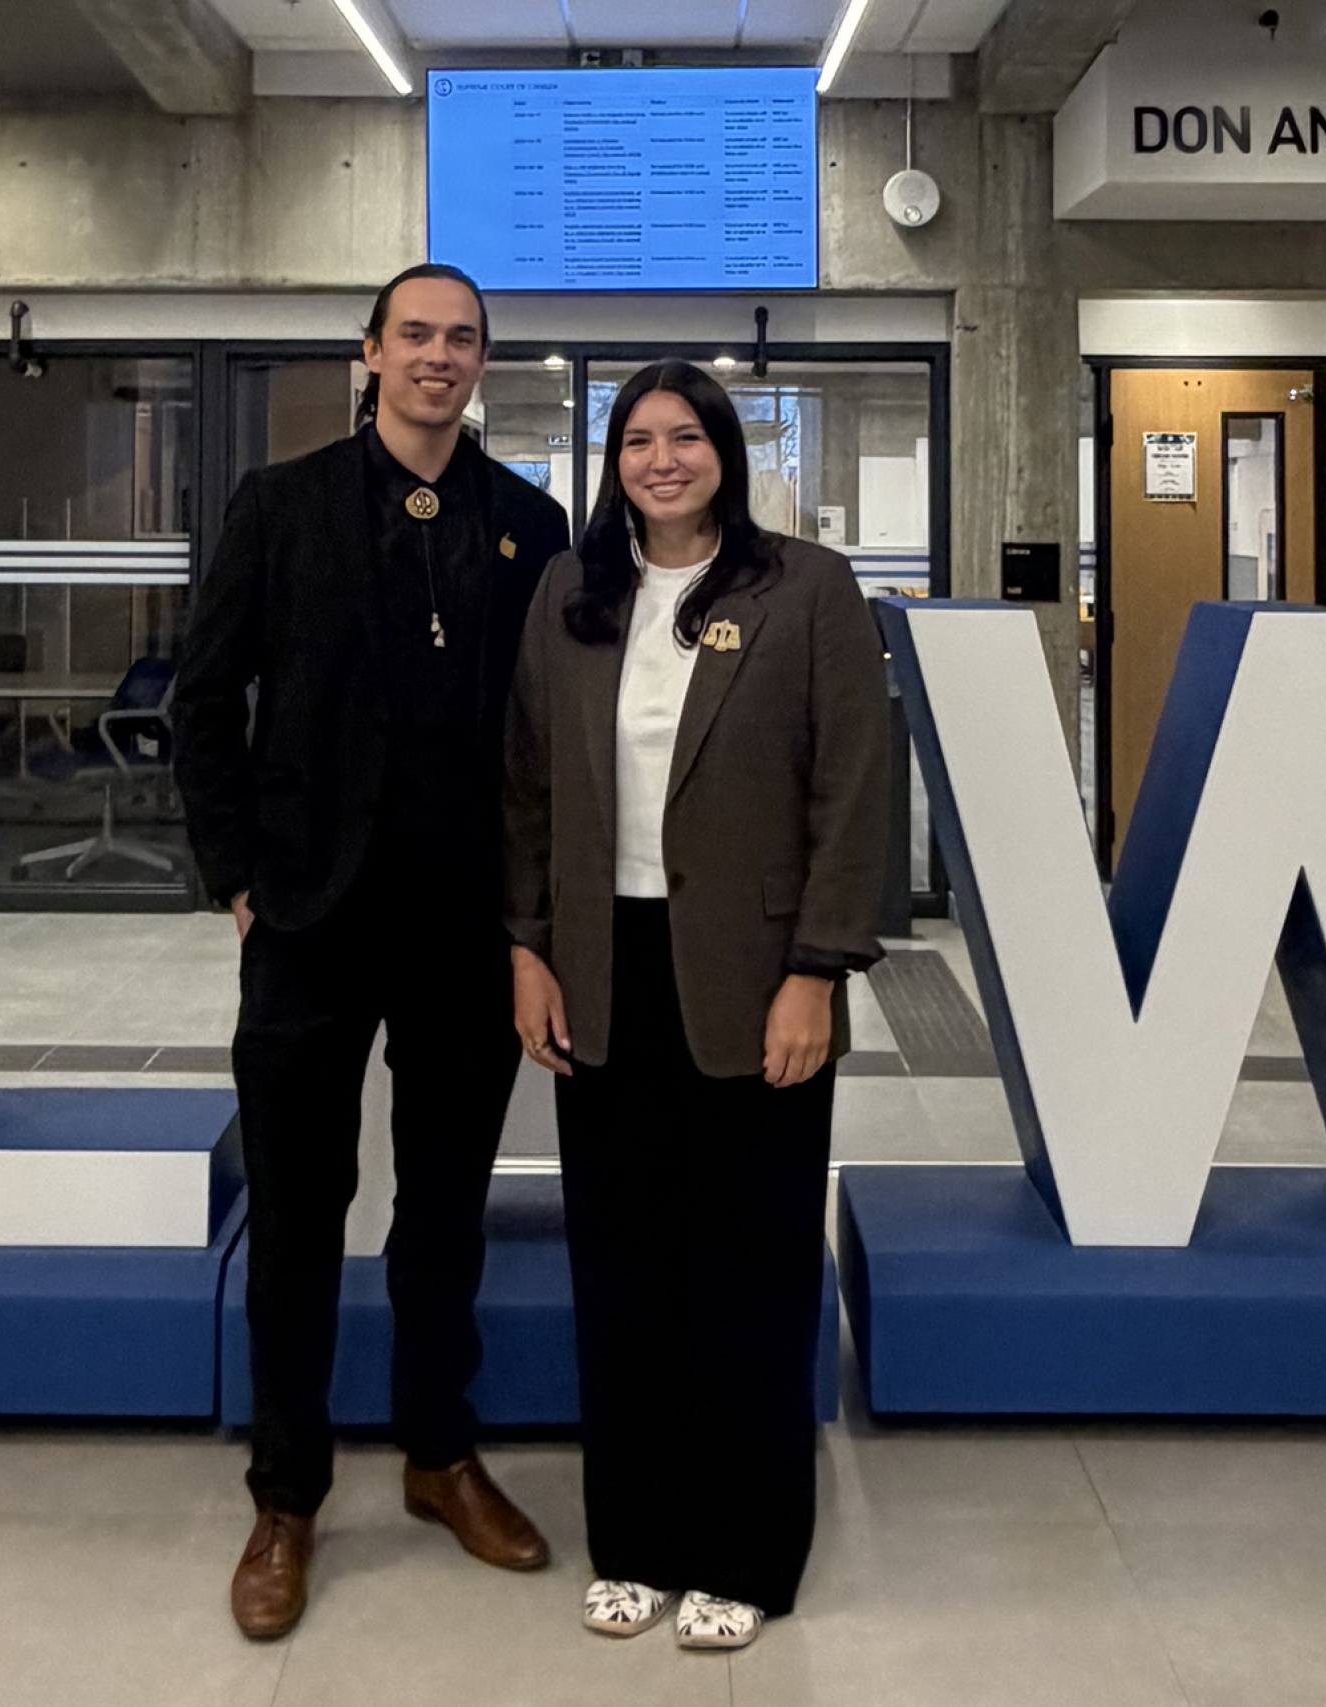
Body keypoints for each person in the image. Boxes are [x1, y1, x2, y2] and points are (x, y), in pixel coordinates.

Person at [173, 263, 573, 1641]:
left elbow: (540, 745)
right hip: (309, 923)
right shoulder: (280, 508)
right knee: (296, 1216)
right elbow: (204, 699)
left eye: (463, 341)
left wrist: (535, 918)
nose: (439, 359)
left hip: (464, 928)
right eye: (417, 336)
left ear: (483, 365)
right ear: (371, 352)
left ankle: (436, 1455)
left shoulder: (531, 525)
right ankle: (286, 1497)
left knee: (443, 1210)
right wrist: (236, 879)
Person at [501, 360, 891, 1651]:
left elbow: (851, 790)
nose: (660, 460)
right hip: (604, 973)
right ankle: (641, 1537)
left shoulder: (806, 590)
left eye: (685, 437)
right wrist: (529, 948)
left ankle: (747, 1550)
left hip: (752, 975)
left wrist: (816, 971)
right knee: (624, 1268)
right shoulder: (574, 591)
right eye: (636, 441)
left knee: (751, 1268)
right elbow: (529, 790)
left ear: (725, 450)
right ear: (610, 464)